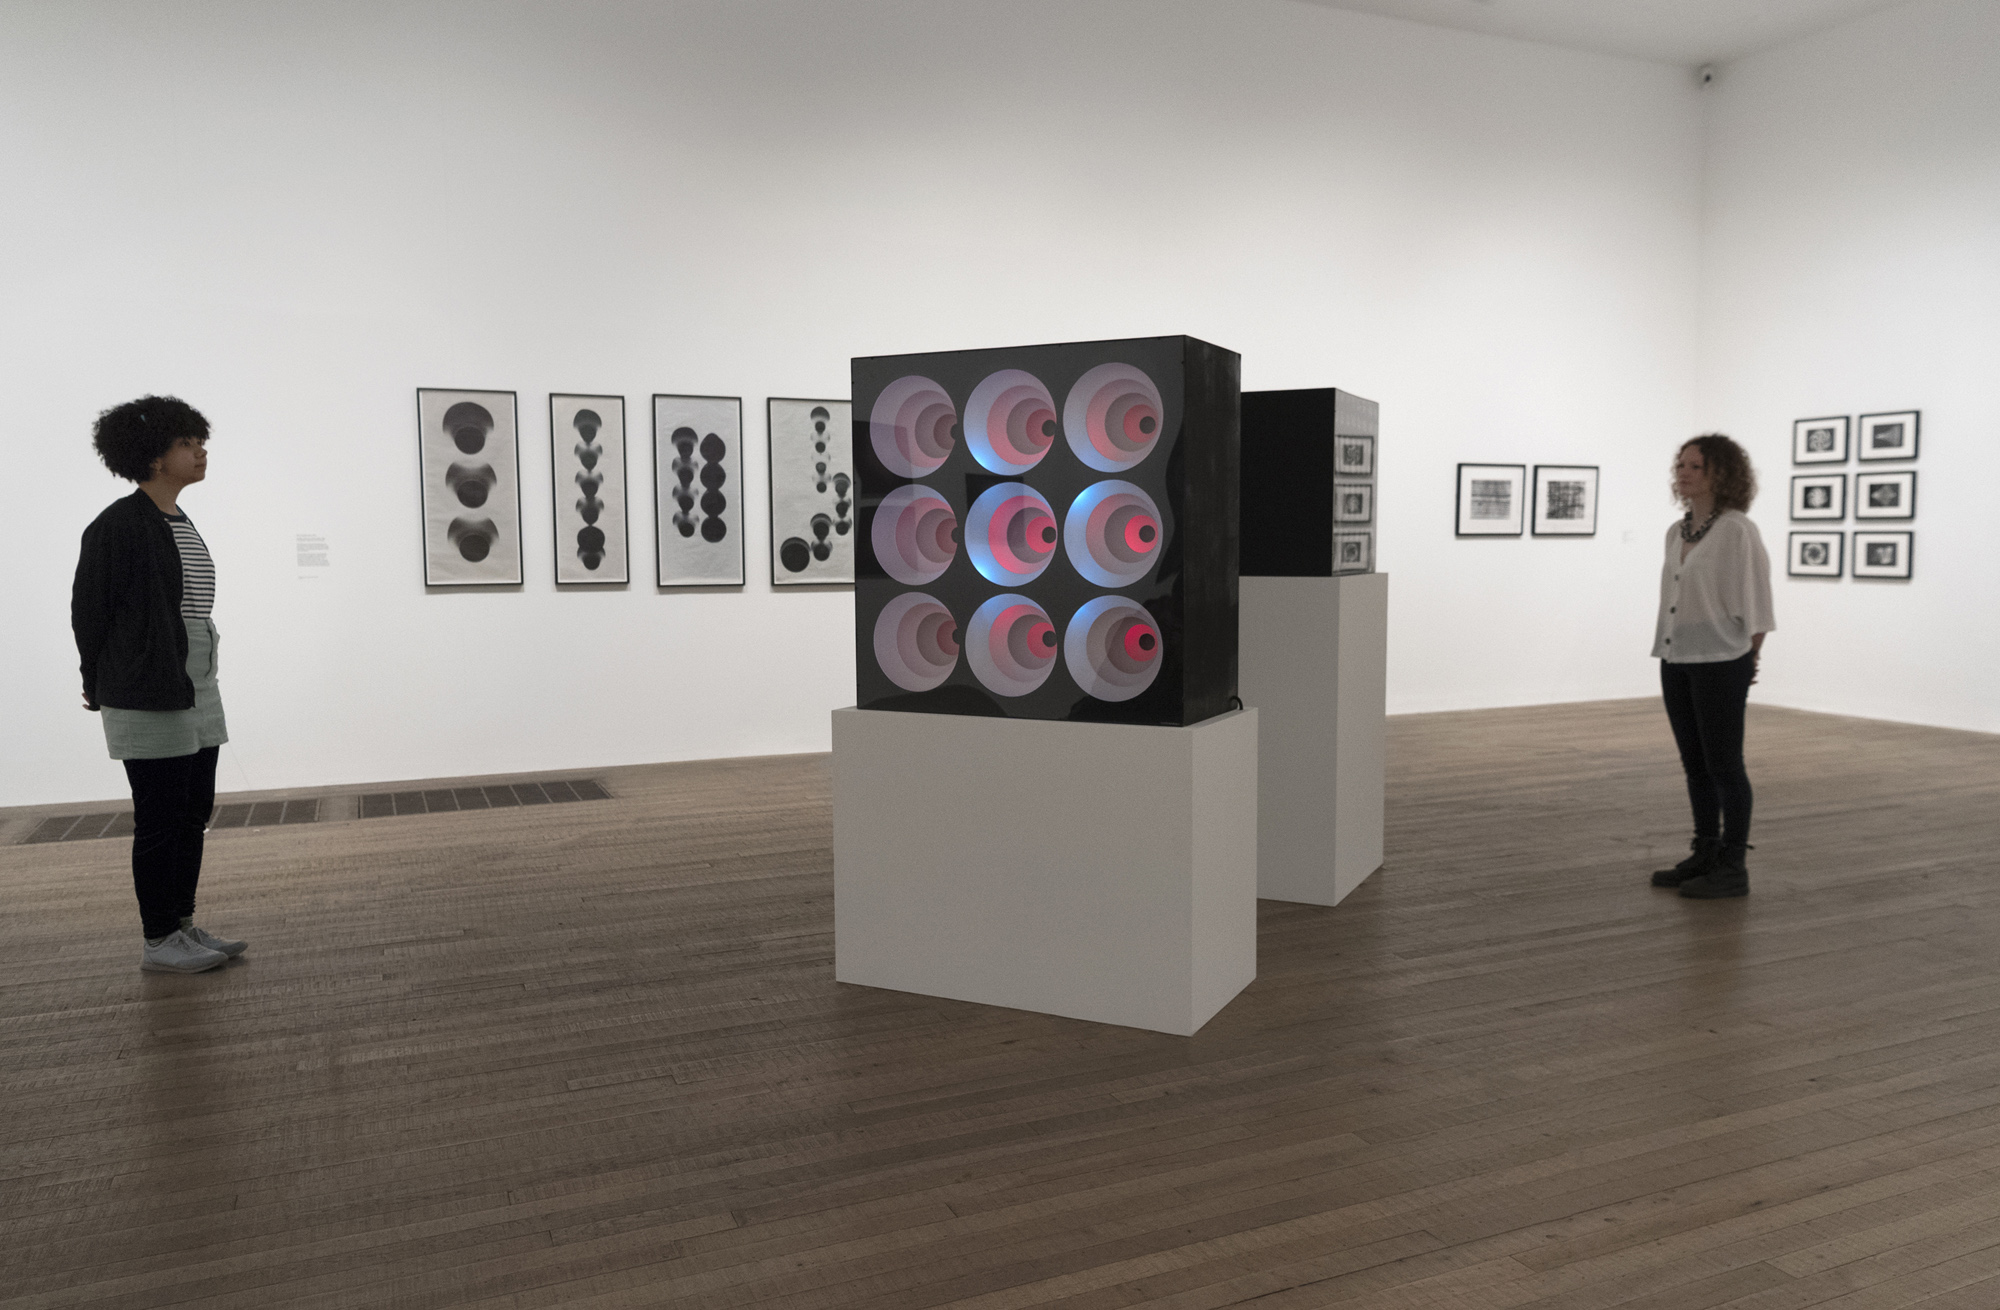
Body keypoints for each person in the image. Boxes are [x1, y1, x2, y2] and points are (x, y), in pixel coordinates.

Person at [72, 396, 247, 972]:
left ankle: (182, 926)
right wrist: (94, 680)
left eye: (199, 441)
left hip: (195, 677)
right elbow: (89, 612)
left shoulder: (177, 518)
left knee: (194, 808)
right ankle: (157, 940)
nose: (201, 451)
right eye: (186, 443)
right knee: (161, 813)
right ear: (153, 455)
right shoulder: (117, 526)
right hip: (148, 683)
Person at [1650, 434, 1775, 899]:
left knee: (1725, 763)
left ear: (1720, 474)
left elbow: (1757, 604)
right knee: (1695, 764)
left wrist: (1750, 657)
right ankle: (1704, 849)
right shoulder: (1676, 532)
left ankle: (1733, 864)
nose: (1683, 473)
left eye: (1695, 466)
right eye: (1680, 465)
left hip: (1722, 660)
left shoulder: (1737, 530)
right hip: (1676, 657)